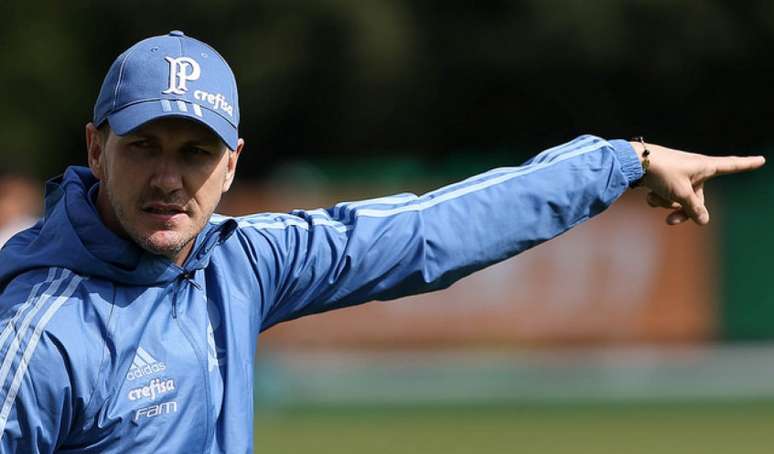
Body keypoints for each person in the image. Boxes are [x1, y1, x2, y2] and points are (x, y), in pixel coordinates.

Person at [0, 30, 764, 453]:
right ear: (96, 149)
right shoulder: (34, 339)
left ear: (231, 165)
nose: (169, 178)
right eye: (145, 147)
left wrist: (622, 161)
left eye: (195, 153)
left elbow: (431, 230)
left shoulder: (239, 263)